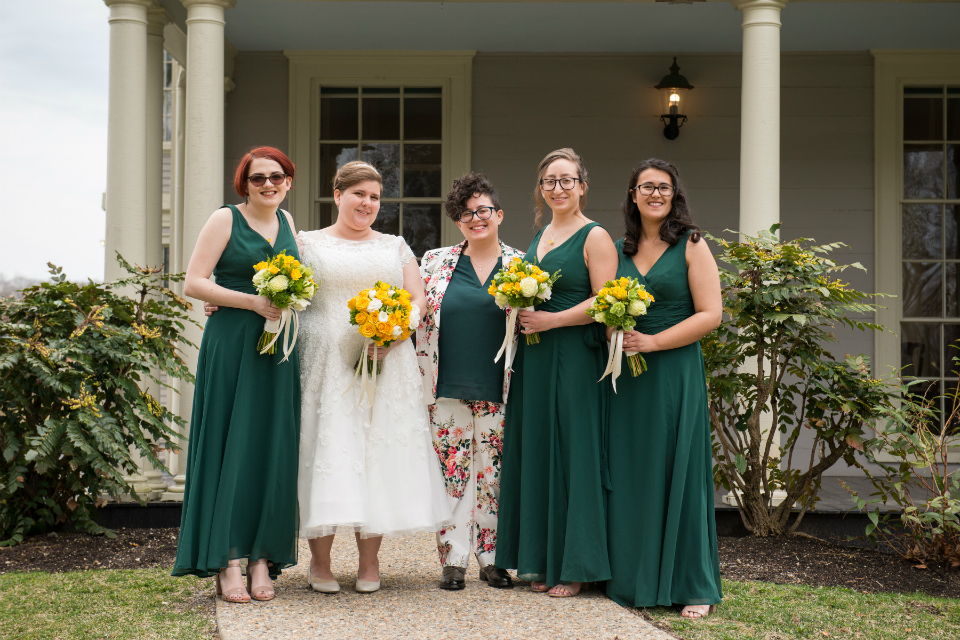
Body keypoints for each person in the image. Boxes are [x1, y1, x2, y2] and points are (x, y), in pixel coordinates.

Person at [296, 161, 452, 594]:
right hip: (325, 363)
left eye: (374, 197)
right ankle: (320, 563)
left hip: (385, 362)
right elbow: (283, 291)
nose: (367, 203)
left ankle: (369, 563)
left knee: (377, 454)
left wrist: (395, 334)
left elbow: (417, 300)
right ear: (337, 194)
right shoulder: (306, 243)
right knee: (327, 450)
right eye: (359, 194)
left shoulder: (395, 245)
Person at [172, 146, 301, 603]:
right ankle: (227, 562)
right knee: (230, 442)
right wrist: (248, 300)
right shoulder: (225, 219)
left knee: (268, 445)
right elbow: (193, 282)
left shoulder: (288, 225)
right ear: (244, 184)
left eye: (277, 177)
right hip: (232, 344)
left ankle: (260, 558)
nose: (268, 185)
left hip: (277, 350)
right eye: (258, 178)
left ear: (289, 180)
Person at [496, 148, 619, 597]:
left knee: (573, 452)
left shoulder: (595, 236)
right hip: (536, 357)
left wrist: (552, 320)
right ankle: (543, 560)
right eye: (550, 181)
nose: (558, 188)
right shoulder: (542, 234)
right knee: (541, 451)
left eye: (567, 180)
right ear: (541, 188)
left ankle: (577, 567)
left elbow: (605, 302)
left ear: (583, 186)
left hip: (573, 356)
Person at [604, 158, 723, 618]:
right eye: (646, 187)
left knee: (679, 469)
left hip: (673, 371)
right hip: (625, 377)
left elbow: (710, 314)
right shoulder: (617, 249)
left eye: (664, 187)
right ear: (632, 195)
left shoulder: (692, 244)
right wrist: (614, 332)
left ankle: (691, 583)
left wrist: (653, 341)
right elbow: (600, 302)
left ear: (675, 196)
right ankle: (628, 575)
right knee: (632, 470)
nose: (655, 194)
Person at [417, 173, 526, 591]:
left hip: (500, 386)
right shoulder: (434, 261)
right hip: (444, 383)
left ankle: (492, 558)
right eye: (466, 214)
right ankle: (453, 559)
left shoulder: (522, 265)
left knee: (492, 473)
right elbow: (410, 307)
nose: (476, 218)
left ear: (498, 214)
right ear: (458, 222)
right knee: (452, 472)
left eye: (483, 210)